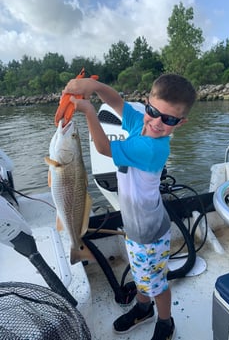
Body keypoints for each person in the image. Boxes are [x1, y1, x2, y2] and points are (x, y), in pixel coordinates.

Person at [57, 73, 196, 340]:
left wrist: (87, 110)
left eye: (168, 120)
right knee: (142, 275)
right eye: (153, 112)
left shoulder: (153, 147)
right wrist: (95, 87)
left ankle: (165, 321)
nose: (157, 122)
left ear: (180, 122)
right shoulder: (139, 126)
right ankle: (143, 309)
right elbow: (117, 102)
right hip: (134, 226)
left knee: (157, 284)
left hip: (149, 233)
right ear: (147, 104)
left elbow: (103, 147)